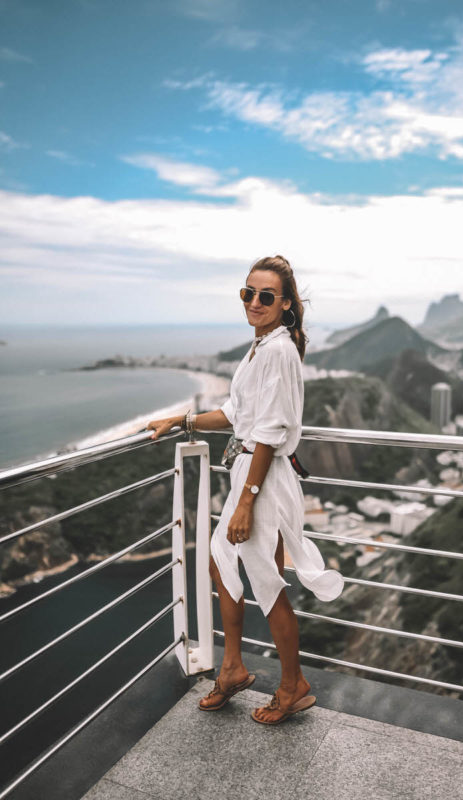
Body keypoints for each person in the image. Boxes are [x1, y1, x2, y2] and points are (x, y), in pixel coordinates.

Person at [147, 255, 344, 725]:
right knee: (224, 564)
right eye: (248, 293)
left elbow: (271, 432)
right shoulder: (261, 346)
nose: (254, 302)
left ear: (286, 304)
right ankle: (233, 667)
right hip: (250, 478)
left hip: (264, 482)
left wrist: (247, 503)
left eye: (266, 296)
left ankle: (292, 685)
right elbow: (237, 414)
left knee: (268, 584)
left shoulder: (277, 351)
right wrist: (183, 419)